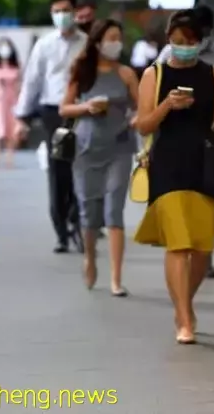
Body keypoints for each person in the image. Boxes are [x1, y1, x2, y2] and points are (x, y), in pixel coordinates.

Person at [133, 9, 214, 344]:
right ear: (168, 40)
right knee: (178, 244)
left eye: (190, 42)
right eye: (177, 42)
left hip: (205, 162)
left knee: (201, 245)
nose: (183, 47)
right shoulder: (153, 74)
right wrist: (167, 104)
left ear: (200, 42)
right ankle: (183, 317)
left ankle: (186, 303)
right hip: (167, 164)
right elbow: (143, 125)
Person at [156, 4, 214, 280]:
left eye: (198, 34)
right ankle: (183, 280)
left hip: (210, 148)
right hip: (171, 151)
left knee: (208, 209)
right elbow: (149, 109)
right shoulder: (163, 60)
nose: (188, 44)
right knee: (178, 223)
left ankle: (204, 259)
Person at [61, 19, 139, 296]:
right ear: (97, 41)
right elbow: (65, 108)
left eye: (119, 37)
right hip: (86, 148)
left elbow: (141, 107)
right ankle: (89, 258)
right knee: (89, 212)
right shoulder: (82, 71)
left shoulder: (127, 73)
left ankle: (116, 278)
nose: (115, 43)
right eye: (110, 37)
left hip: (119, 147)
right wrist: (86, 106)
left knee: (113, 212)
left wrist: (135, 118)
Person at [15, 0, 88, 253]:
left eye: (66, 10)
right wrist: (21, 115)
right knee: (58, 171)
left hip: (81, 111)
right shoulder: (44, 45)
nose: (62, 16)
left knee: (80, 168)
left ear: (75, 11)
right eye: (57, 11)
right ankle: (61, 231)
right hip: (52, 111)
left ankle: (77, 222)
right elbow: (32, 81)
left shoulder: (87, 44)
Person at [0, 37, 22, 168]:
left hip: (12, 98)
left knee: (11, 126)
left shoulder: (16, 66)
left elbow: (19, 83)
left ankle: (9, 155)